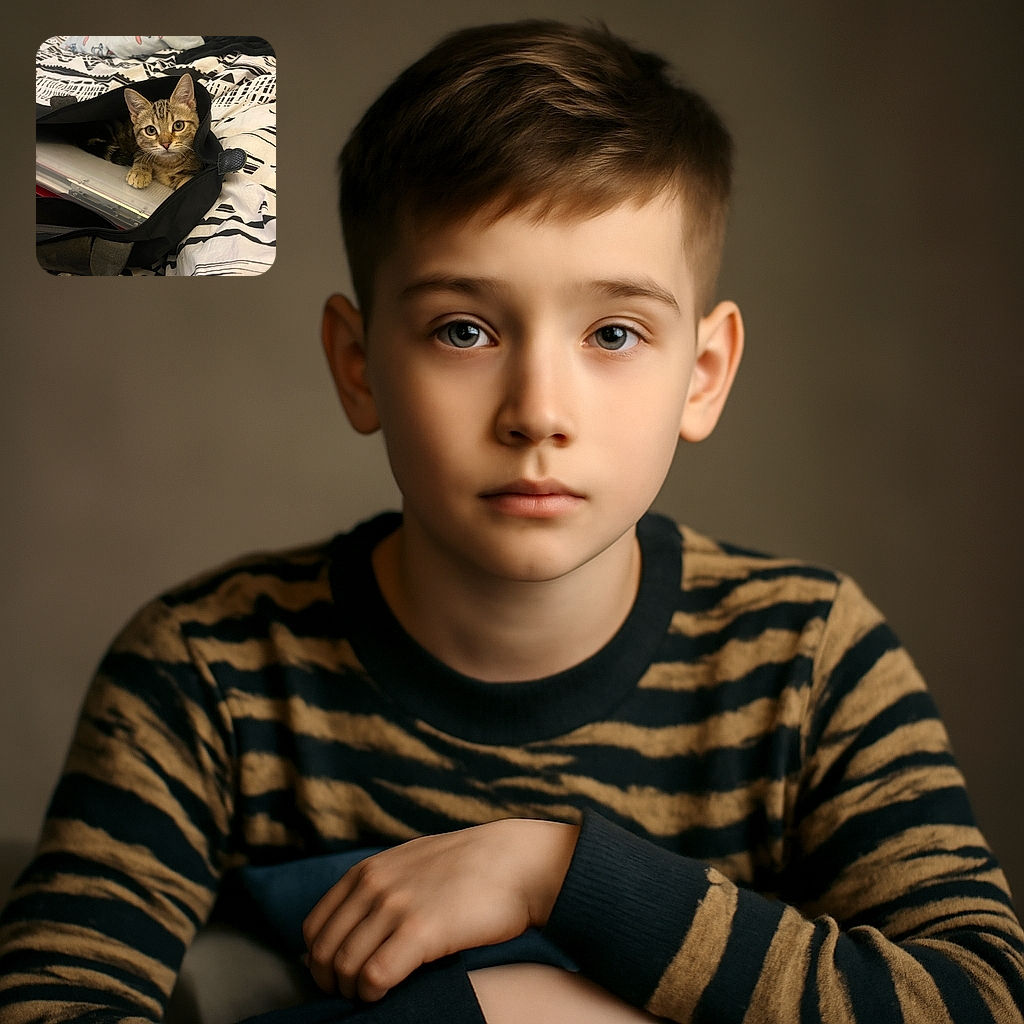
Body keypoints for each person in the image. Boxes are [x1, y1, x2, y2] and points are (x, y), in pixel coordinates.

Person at [1, 19, 1022, 1024]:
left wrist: (558, 872)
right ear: (358, 366)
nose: (537, 410)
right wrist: (495, 1007)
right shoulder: (206, 673)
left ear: (701, 377)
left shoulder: (808, 661)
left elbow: (976, 1001)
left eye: (613, 332)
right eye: (464, 329)